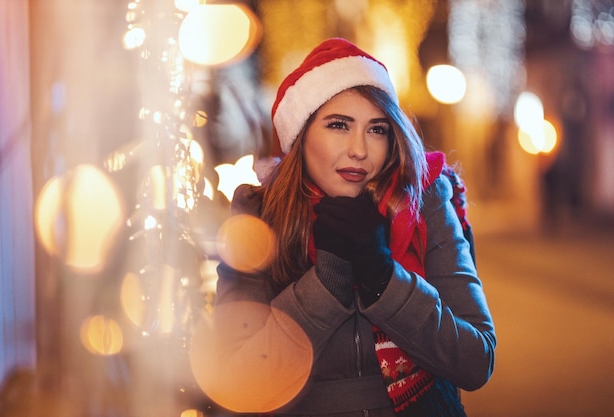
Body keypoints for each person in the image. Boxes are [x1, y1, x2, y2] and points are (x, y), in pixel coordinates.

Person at [197, 38, 496, 417]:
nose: (359, 149)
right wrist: (327, 281)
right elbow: (237, 379)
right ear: (301, 135)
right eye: (338, 125)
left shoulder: (426, 200)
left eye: (377, 129)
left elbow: (475, 359)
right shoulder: (259, 216)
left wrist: (383, 277)